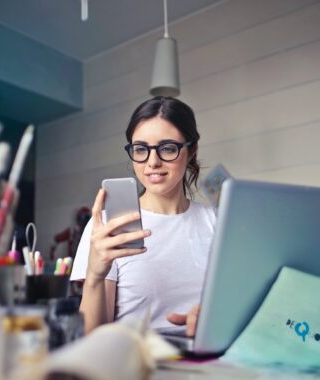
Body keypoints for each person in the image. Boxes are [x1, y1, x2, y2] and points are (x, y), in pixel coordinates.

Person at [70, 96, 216, 335]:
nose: (152, 162)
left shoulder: (217, 222)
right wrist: (95, 275)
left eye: (168, 148)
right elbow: (92, 337)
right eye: (141, 149)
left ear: (191, 152)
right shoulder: (108, 227)